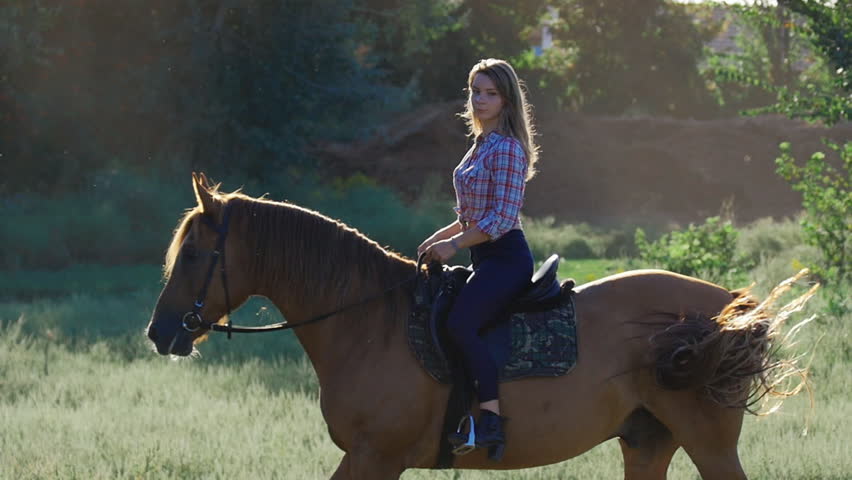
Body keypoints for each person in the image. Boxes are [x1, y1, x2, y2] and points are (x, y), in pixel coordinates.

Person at [417, 58, 539, 458]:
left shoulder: (506, 148)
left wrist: (455, 246)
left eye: (491, 93)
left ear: (506, 101)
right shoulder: (480, 145)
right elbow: (468, 216)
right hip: (484, 256)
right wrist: (435, 239)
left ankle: (489, 420)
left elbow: (501, 218)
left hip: (506, 257)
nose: (481, 100)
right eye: (475, 91)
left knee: (461, 323)